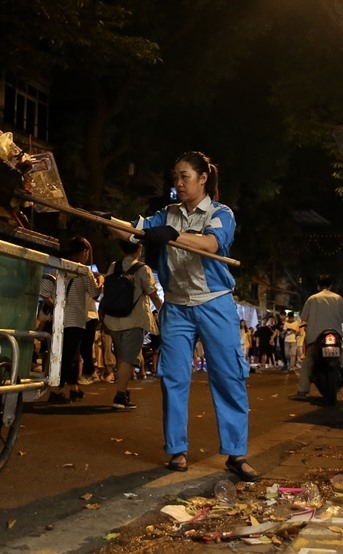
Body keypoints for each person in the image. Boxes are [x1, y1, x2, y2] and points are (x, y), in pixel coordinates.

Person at [112, 150, 258, 482]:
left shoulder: (221, 213)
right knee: (174, 378)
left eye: (184, 177)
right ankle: (177, 449)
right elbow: (135, 231)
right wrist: (108, 220)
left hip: (215, 303)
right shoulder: (166, 214)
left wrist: (174, 235)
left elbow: (210, 244)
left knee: (228, 376)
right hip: (176, 305)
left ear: (203, 178)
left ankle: (236, 453)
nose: (177, 183)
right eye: (175, 177)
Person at [40, 236, 102, 404]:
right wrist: (101, 281)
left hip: (58, 321)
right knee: (68, 357)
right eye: (87, 252)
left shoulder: (57, 268)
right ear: (83, 252)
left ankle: (73, 389)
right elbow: (95, 294)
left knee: (65, 355)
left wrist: (57, 307)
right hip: (75, 321)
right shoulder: (84, 271)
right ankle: (56, 391)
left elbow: (44, 292)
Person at [101, 240, 162, 409]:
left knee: (122, 357)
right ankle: (120, 396)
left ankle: (124, 392)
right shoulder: (143, 269)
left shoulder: (114, 266)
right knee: (128, 359)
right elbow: (152, 293)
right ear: (140, 248)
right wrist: (164, 310)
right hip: (134, 319)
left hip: (113, 319)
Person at [291, 274, 343, 400]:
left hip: (316, 338)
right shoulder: (338, 298)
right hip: (336, 335)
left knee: (308, 362)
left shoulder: (312, 299)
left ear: (318, 286)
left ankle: (302, 391)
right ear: (331, 285)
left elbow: (304, 317)